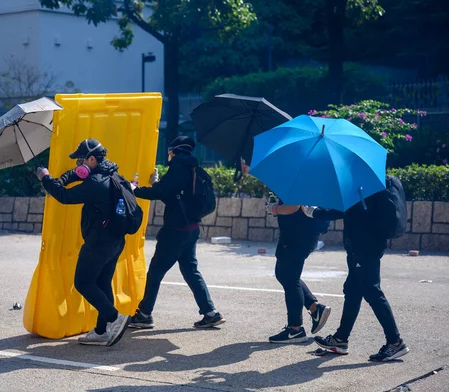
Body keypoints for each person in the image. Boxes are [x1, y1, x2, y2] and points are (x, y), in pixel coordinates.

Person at [36, 138, 130, 347]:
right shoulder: (113, 174)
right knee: (102, 283)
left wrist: (46, 178)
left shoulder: (95, 183)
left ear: (92, 159)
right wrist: (65, 177)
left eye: (81, 160)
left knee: (83, 283)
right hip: (116, 240)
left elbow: (64, 196)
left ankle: (115, 319)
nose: (78, 165)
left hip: (99, 242)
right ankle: (100, 331)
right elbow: (74, 181)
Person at [128, 136, 225, 329]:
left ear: (174, 151)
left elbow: (160, 193)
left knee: (156, 271)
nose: (169, 155)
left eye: (170, 151)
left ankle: (144, 314)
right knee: (190, 271)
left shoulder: (177, 169)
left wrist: (134, 189)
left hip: (175, 231)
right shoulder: (195, 170)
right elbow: (174, 197)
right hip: (192, 229)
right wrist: (156, 185)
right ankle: (210, 313)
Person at [302, 196, 410, 361]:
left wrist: (313, 212)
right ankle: (340, 339)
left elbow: (342, 209)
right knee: (353, 291)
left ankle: (395, 342)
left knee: (372, 291)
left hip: (364, 246)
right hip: (363, 245)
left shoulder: (362, 187)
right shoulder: (367, 184)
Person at [241, 161, 331, 344]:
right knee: (283, 274)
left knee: (289, 279)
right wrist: (251, 171)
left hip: (297, 236)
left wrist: (272, 209)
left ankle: (295, 329)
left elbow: (293, 206)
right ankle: (315, 308)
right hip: (298, 234)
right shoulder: (302, 173)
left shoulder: (295, 176)